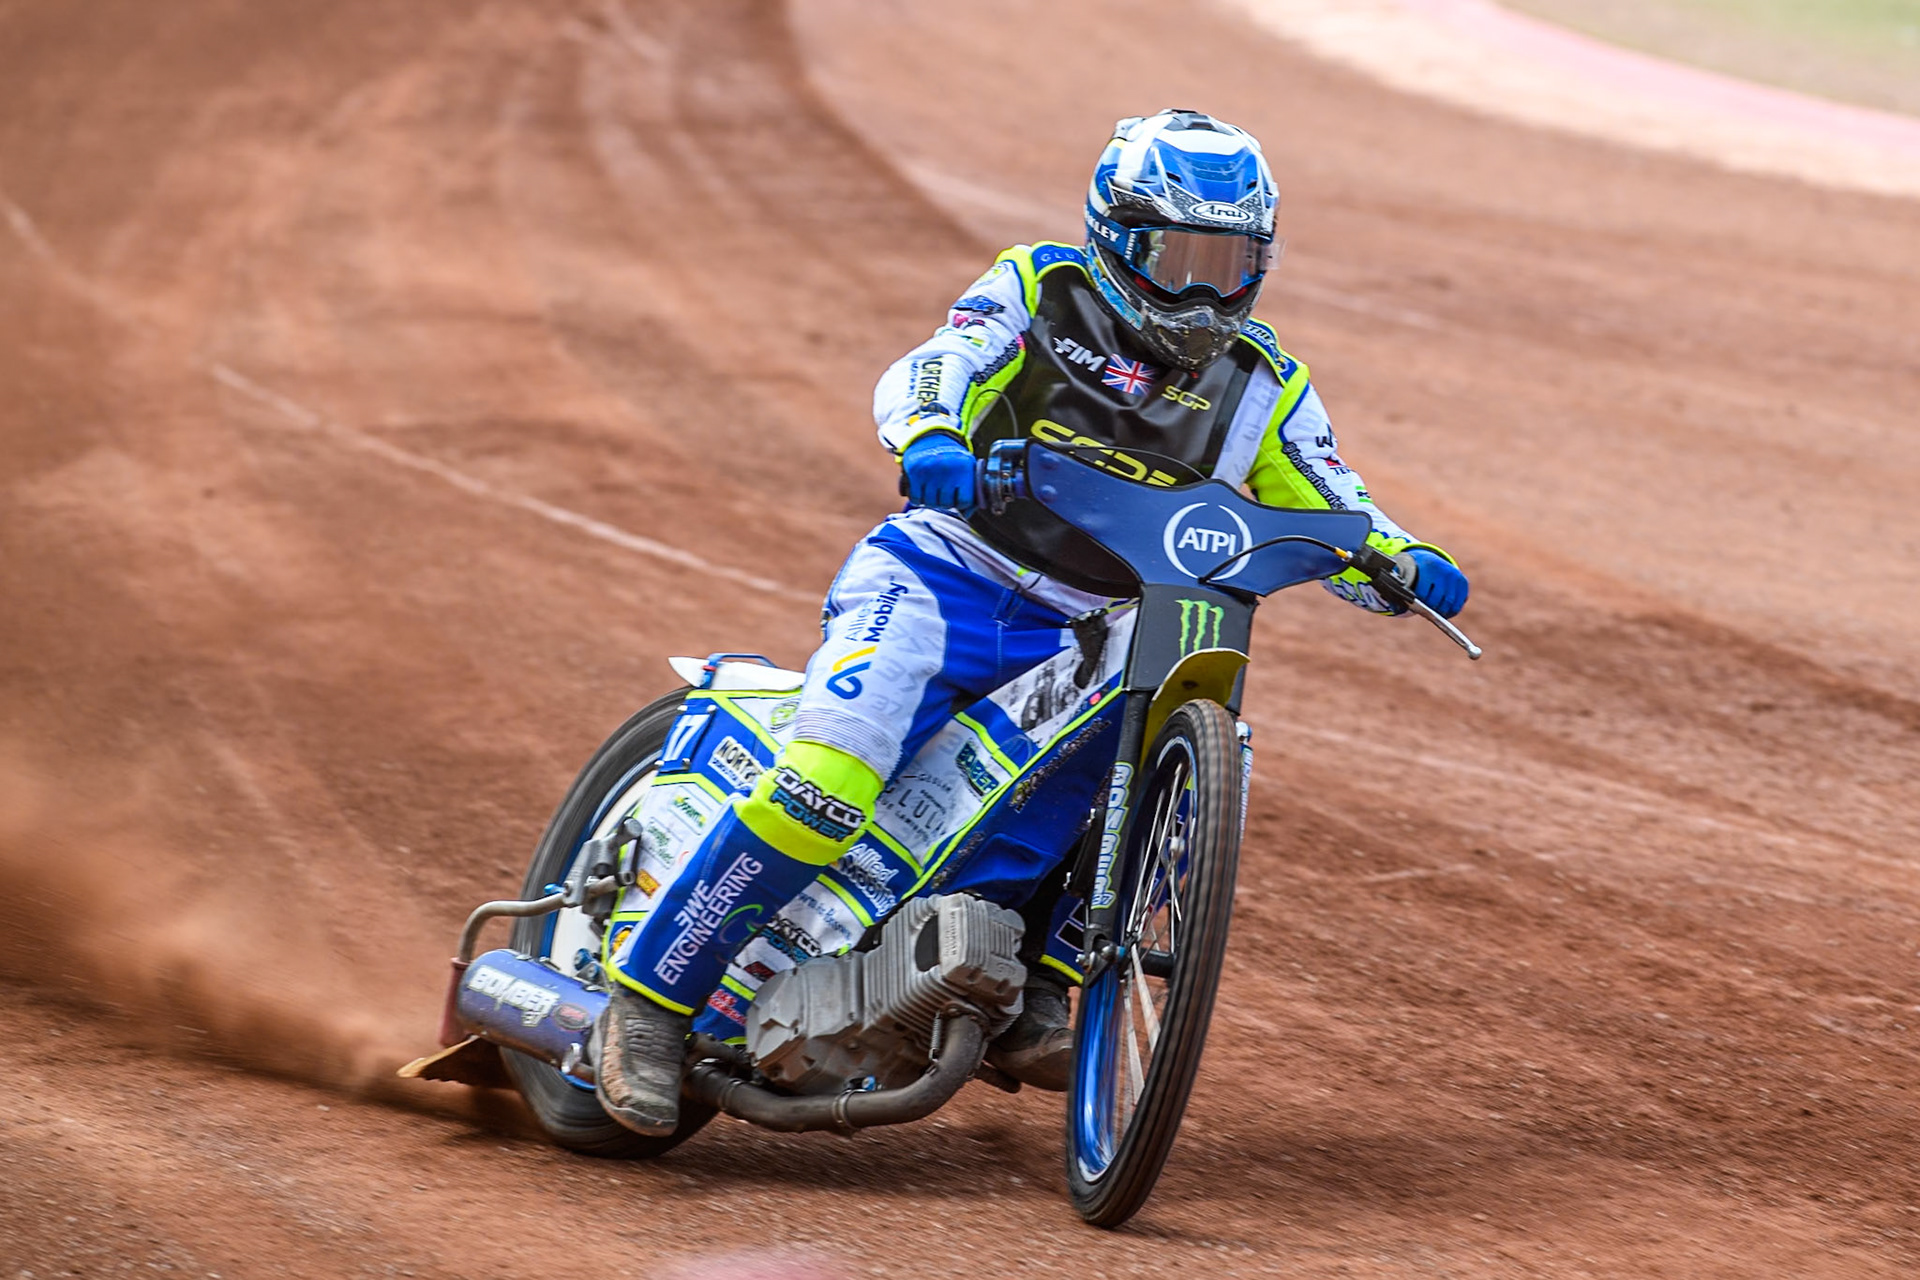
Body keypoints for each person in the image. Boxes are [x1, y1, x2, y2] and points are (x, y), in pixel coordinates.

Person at [590, 108, 1470, 1135]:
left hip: (1091, 631)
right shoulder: (1035, 289)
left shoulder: (1264, 387)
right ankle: (646, 1002)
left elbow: (1333, 502)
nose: (1200, 289)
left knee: (1153, 750)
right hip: (943, 576)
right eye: (1175, 255)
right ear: (1114, 237)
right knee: (830, 782)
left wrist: (1401, 560)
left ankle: (1039, 981)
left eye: (1227, 262)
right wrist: (927, 431)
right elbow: (934, 367)